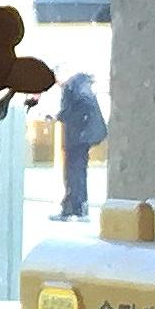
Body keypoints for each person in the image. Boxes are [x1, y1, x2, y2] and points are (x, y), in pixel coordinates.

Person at [58, 69, 108, 223]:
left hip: (79, 137)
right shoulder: (78, 83)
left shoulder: (74, 83)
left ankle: (76, 207)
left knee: (75, 172)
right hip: (80, 136)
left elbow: (84, 102)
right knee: (76, 171)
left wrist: (65, 115)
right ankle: (75, 206)